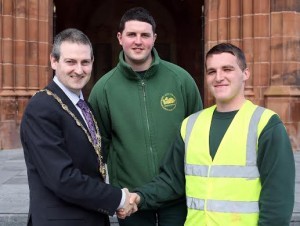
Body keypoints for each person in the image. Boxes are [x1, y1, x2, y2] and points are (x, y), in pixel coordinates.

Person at [128, 43, 295, 226]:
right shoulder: (190, 125)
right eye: (212, 71)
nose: (219, 77)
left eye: (227, 69)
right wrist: (139, 197)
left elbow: (278, 202)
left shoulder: (266, 124)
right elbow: (171, 181)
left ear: (245, 74)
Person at [88, 7, 202, 226]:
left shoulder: (180, 80)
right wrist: (109, 196)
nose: (138, 41)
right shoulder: (103, 89)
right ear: (120, 38)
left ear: (154, 38)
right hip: (131, 199)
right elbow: (98, 148)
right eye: (131, 34)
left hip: (177, 194)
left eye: (145, 35)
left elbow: (197, 136)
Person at [20, 28, 136, 226]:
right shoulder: (41, 107)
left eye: (85, 62)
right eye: (70, 62)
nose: (79, 70)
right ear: (54, 61)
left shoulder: (84, 105)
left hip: (91, 217)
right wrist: (120, 198)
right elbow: (62, 179)